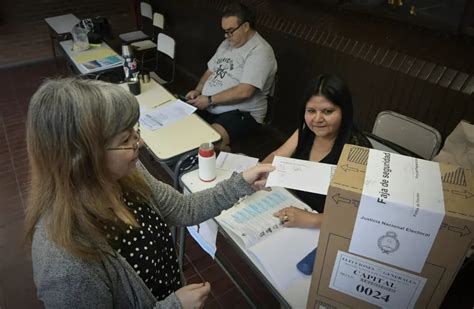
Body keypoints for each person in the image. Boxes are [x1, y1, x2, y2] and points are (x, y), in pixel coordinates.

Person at [25, 78, 274, 308]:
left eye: (135, 131)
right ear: (82, 159)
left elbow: (184, 209)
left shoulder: (126, 175)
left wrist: (240, 183)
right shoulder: (63, 260)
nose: (140, 143)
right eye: (126, 139)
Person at [262, 74, 371, 228]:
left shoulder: (357, 149)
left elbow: (354, 211)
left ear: (344, 111)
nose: (317, 119)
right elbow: (276, 156)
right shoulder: (306, 130)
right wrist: (259, 174)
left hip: (325, 227)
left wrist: (312, 220)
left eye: (327, 112)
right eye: (311, 111)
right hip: (288, 208)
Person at [185, 1, 277, 151]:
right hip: (211, 105)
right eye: (224, 31)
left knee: (207, 144)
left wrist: (209, 100)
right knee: (179, 124)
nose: (226, 36)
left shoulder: (260, 51)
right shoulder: (227, 44)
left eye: (230, 31)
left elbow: (245, 91)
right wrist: (198, 91)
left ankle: (225, 152)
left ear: (246, 26)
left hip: (243, 114)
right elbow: (210, 71)